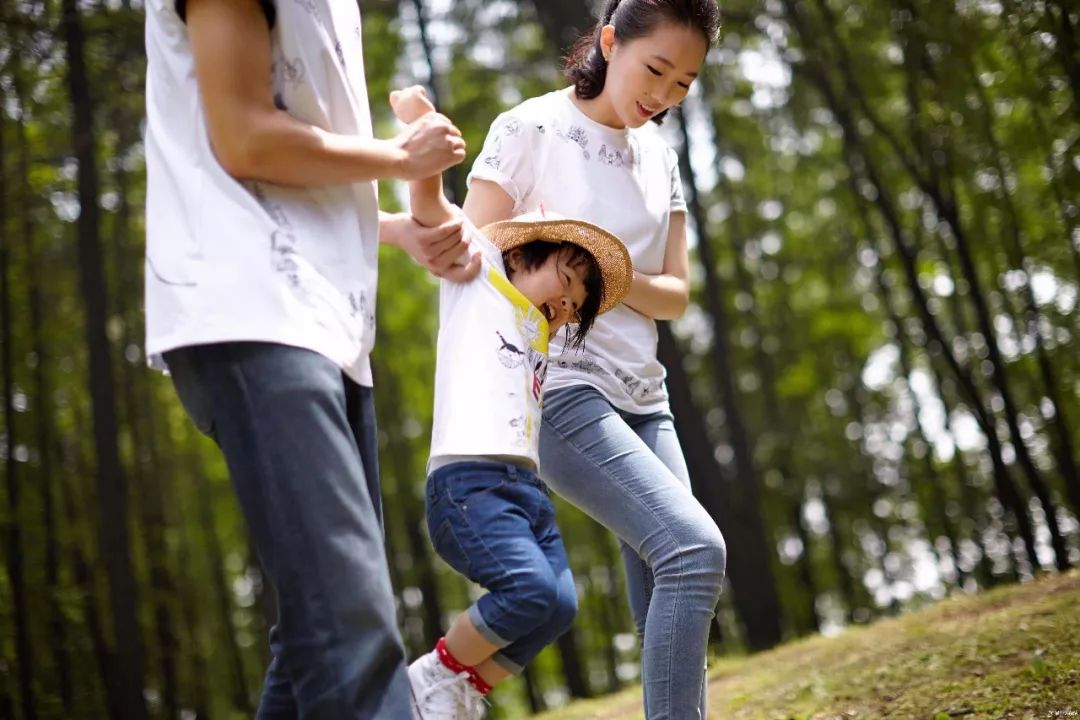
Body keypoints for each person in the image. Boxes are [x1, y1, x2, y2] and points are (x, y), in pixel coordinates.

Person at [143, 2, 478, 718]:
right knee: (351, 634)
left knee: (313, 639)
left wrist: (394, 230)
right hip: (251, 312)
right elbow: (245, 141)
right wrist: (401, 156)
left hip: (328, 323)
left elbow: (300, 157)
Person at [461, 1, 725, 718]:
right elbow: (470, 255)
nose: (664, 94)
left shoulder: (659, 157)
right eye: (656, 69)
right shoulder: (531, 128)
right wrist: (548, 278)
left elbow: (673, 296)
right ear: (610, 41)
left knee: (672, 595)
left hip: (648, 396)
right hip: (562, 387)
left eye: (684, 83)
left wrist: (601, 267)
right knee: (695, 551)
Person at [385, 88, 632, 720]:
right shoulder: (480, 275)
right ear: (523, 254)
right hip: (468, 482)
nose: (570, 305)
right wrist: (421, 129)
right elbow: (433, 211)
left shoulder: (540, 330)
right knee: (526, 591)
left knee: (559, 603)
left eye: (580, 303)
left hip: (526, 488)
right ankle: (428, 680)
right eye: (567, 281)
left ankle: (463, 692)